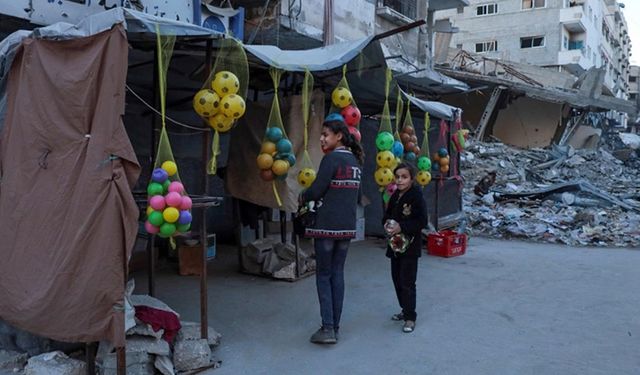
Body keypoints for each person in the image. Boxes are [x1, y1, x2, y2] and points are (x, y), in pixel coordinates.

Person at [301, 116, 364, 344]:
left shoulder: (331, 160)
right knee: (337, 274)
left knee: (323, 275)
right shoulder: (355, 163)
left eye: (326, 134)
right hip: (346, 227)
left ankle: (327, 329)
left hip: (326, 227)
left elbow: (316, 191)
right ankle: (334, 326)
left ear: (339, 136)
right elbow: (357, 197)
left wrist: (302, 195)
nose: (322, 138)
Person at [382, 162, 427, 333]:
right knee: (396, 278)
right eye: (397, 177)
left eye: (404, 177)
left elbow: (421, 220)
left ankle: (410, 317)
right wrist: (387, 224)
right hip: (395, 246)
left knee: (408, 281)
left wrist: (401, 227)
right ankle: (404, 309)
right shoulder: (395, 195)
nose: (400, 180)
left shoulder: (416, 196)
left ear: (412, 178)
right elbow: (387, 215)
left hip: (410, 246)